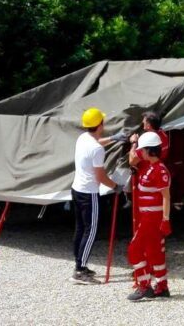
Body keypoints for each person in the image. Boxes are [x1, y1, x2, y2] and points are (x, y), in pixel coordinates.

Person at [70, 107, 121, 285]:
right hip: (89, 192)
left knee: (80, 228)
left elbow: (97, 142)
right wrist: (116, 186)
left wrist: (114, 139)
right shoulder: (97, 150)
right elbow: (100, 176)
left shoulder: (83, 138)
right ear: (100, 124)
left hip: (76, 189)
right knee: (91, 231)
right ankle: (79, 270)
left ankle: (79, 264)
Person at [127, 132, 172, 300]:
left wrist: (165, 220)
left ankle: (144, 285)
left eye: (142, 150)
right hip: (147, 217)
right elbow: (132, 158)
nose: (140, 153)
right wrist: (133, 144)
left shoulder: (160, 170)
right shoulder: (149, 165)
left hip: (152, 218)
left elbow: (166, 196)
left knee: (134, 250)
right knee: (154, 252)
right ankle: (162, 286)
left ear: (149, 150)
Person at [128, 112, 170, 231]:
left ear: (148, 126)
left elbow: (132, 161)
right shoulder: (164, 136)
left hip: (146, 178)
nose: (142, 123)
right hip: (158, 179)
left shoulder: (148, 143)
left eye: (144, 122)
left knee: (143, 213)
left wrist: (134, 143)